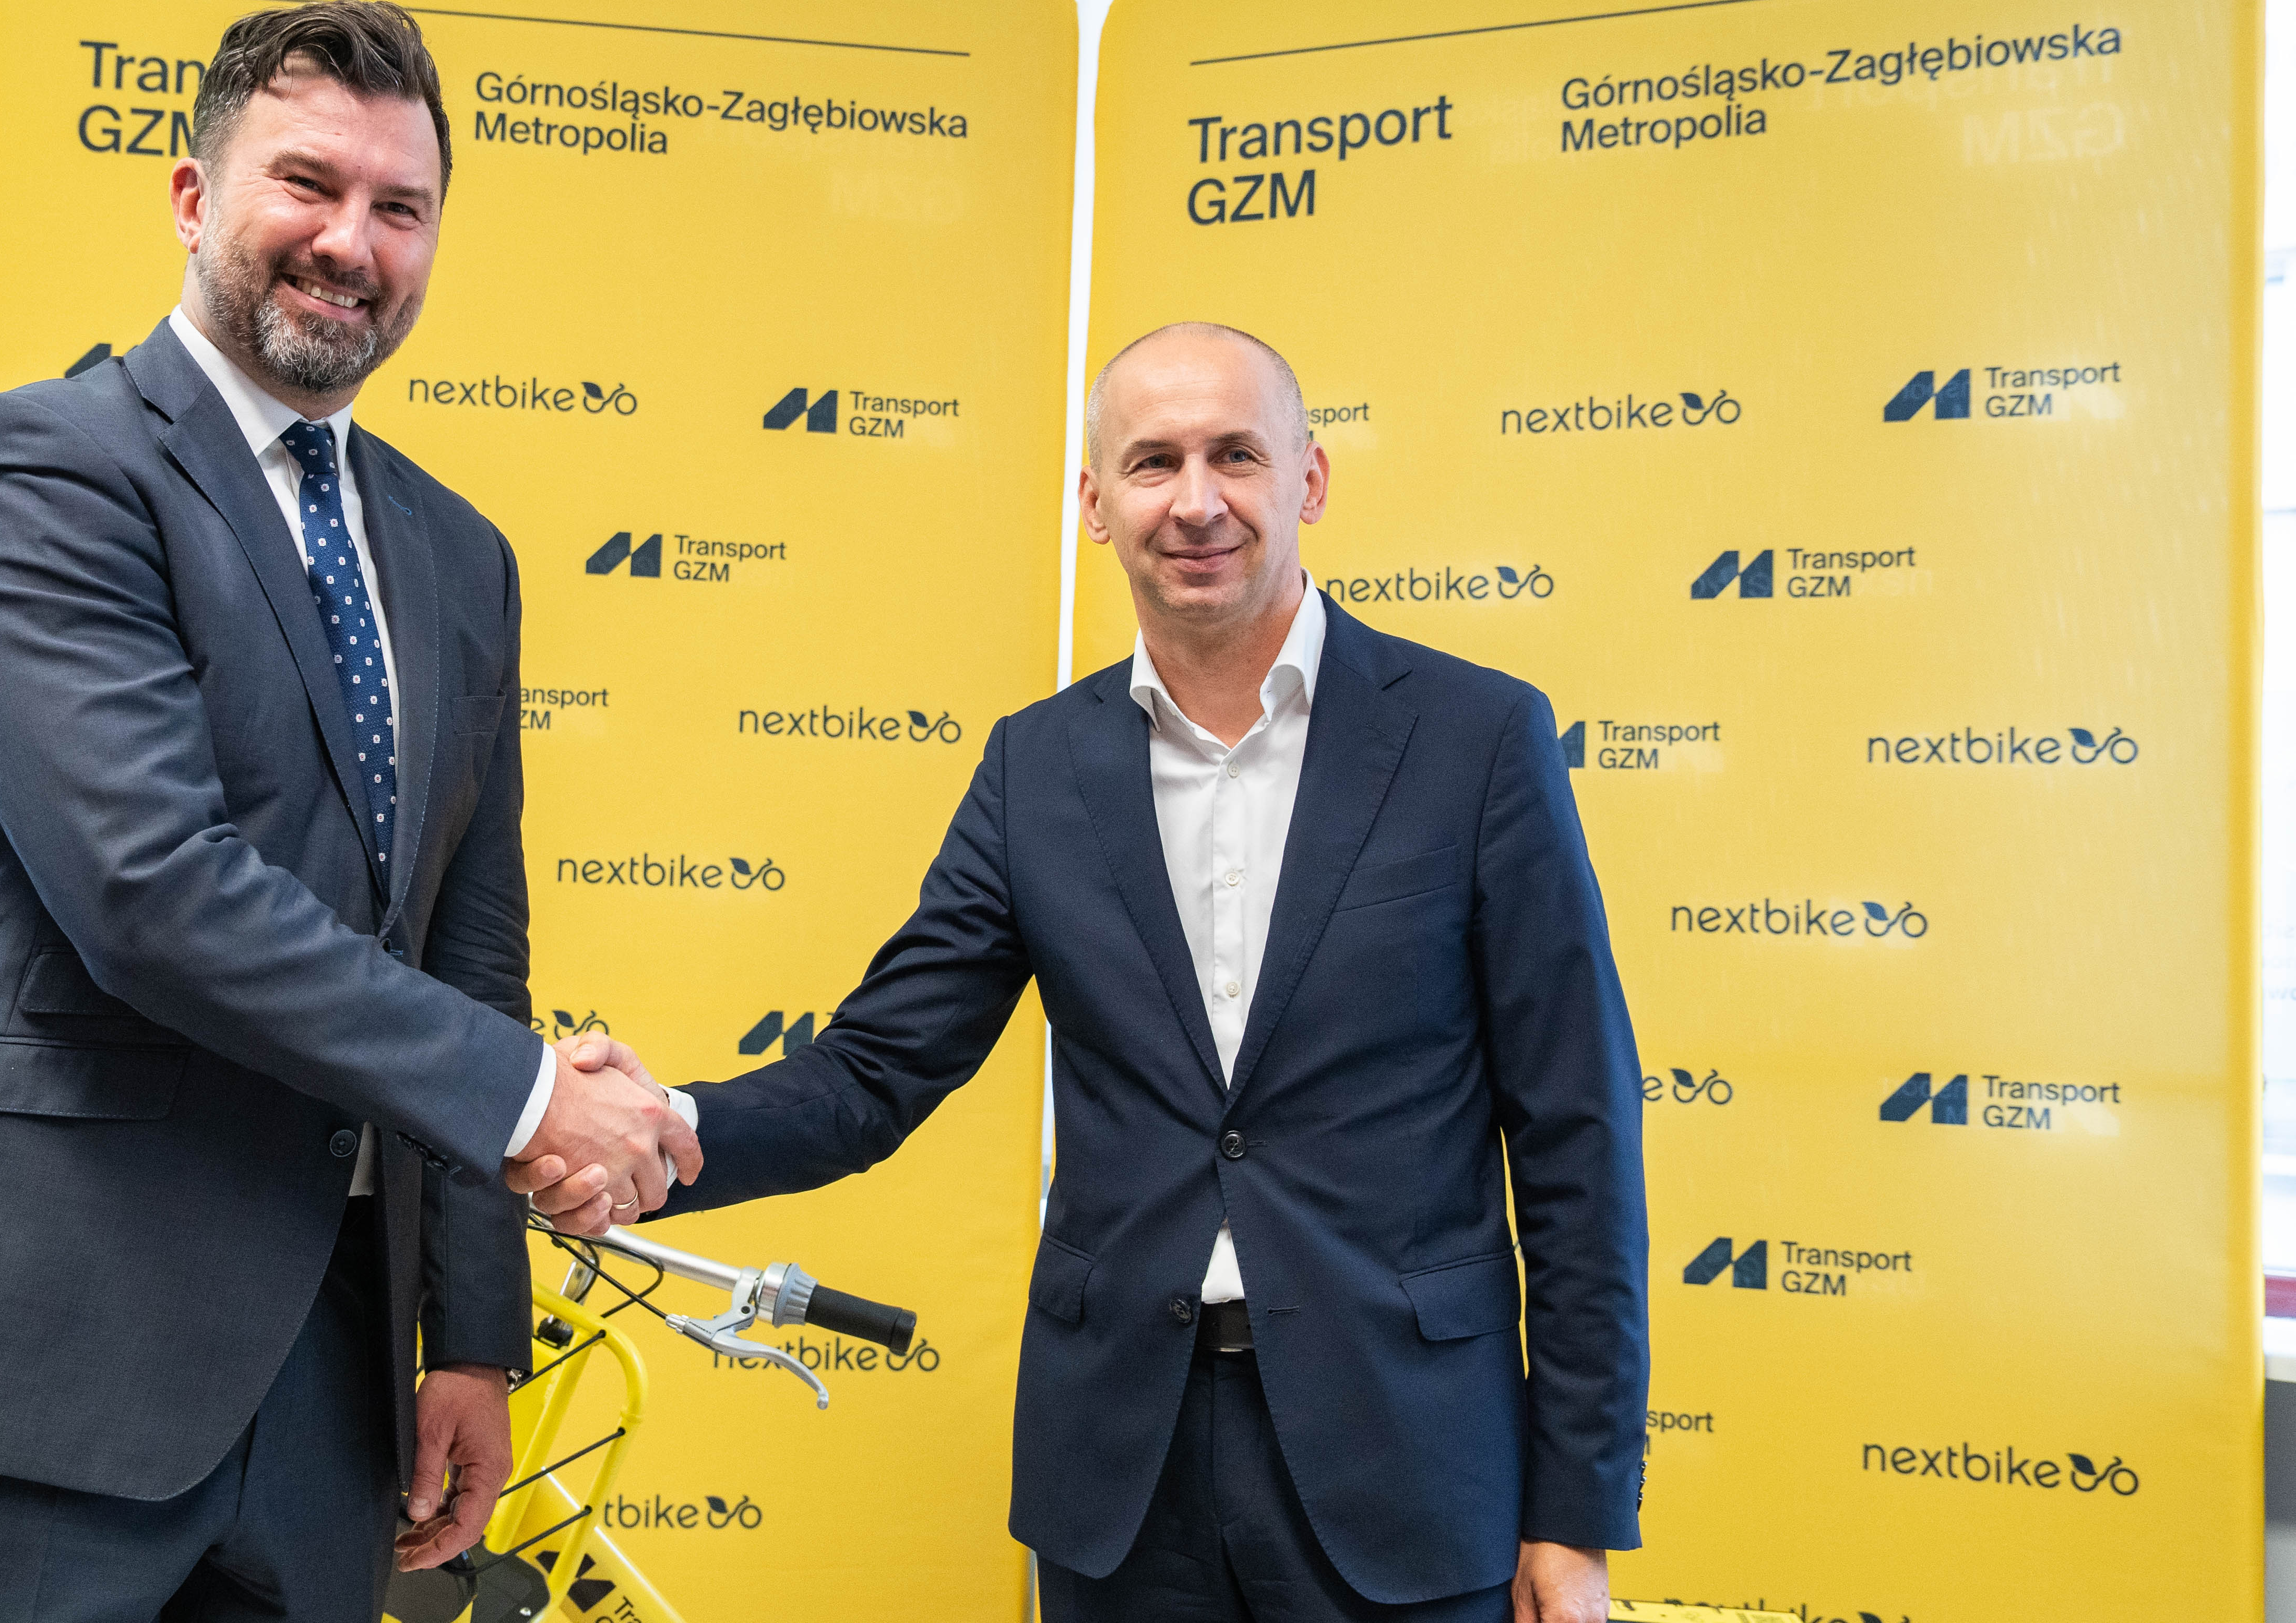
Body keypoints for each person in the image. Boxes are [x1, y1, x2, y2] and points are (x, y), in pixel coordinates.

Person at [0, 1, 695, 1622]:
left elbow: (468, 956)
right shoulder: (47, 470)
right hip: (31, 1352)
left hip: (325, 1384)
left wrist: (472, 1337)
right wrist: (536, 1099)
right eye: (308, 185)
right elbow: (153, 895)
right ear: (195, 199)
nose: (352, 243)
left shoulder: (460, 556)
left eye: (400, 208)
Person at [578, 321, 1645, 1620]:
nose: (1196, 501)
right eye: (1153, 462)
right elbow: (876, 1068)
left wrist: (1575, 1512)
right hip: (1122, 1480)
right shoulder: (1036, 767)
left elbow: (1578, 1134)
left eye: (1236, 455)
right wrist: (655, 1133)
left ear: (1309, 480)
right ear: (1095, 503)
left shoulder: (1478, 737)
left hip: (1410, 1465)